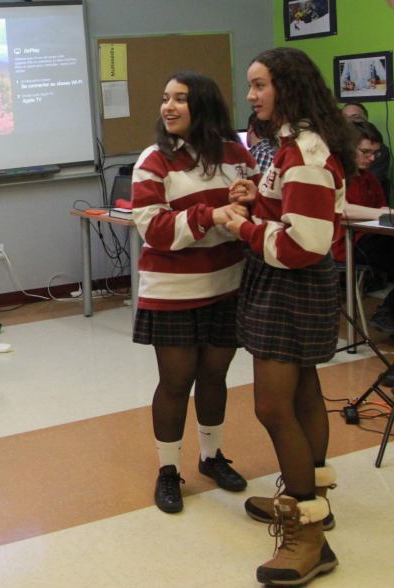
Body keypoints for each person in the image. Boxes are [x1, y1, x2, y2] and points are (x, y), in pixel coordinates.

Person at [223, 46, 355, 586]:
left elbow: (303, 246)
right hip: (286, 281)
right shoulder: (289, 146)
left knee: (273, 406)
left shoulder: (306, 152)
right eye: (250, 86)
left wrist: (244, 228)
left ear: (288, 87)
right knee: (301, 394)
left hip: (292, 283)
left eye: (259, 86)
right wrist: (258, 200)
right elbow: (294, 214)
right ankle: (312, 498)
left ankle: (310, 536)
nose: (250, 96)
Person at [131, 71, 255, 515]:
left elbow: (253, 206)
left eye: (180, 99)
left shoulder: (235, 153)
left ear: (202, 104)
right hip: (173, 290)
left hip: (227, 284)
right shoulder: (154, 160)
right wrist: (212, 214)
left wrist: (251, 199)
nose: (168, 107)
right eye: (165, 98)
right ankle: (168, 470)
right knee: (176, 381)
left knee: (215, 376)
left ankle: (211, 456)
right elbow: (154, 228)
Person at [330, 121, 394, 330]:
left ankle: (388, 314)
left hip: (369, 241)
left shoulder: (369, 179)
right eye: (366, 152)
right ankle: (388, 314)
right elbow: (341, 211)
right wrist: (384, 212)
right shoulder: (335, 175)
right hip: (343, 245)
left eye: (375, 153)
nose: (372, 158)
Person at [342, 101, 391, 199]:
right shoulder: (329, 160)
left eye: (355, 117)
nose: (349, 122)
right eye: (343, 118)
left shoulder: (370, 178)